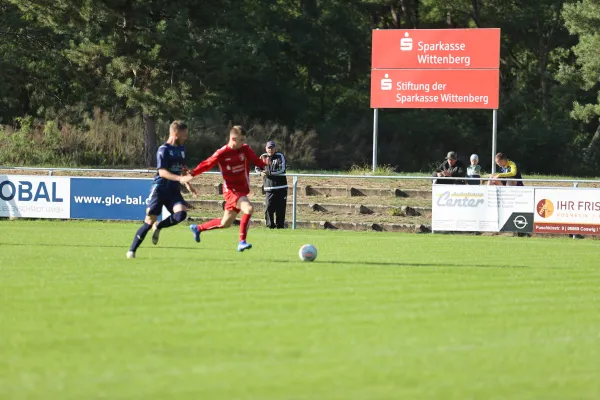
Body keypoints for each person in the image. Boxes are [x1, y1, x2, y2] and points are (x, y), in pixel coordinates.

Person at [188, 125, 268, 252]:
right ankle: (242, 242)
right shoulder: (222, 153)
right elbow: (206, 164)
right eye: (240, 140)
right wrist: (192, 174)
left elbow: (256, 161)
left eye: (243, 140)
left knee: (225, 223)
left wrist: (265, 164)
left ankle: (198, 228)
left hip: (241, 190)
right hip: (231, 190)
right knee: (249, 208)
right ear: (233, 138)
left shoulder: (245, 149)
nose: (243, 142)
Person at [126, 120, 195, 259]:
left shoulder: (181, 149)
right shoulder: (163, 150)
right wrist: (180, 179)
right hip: (160, 189)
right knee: (148, 222)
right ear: (175, 134)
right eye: (184, 135)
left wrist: (187, 183)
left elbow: (182, 168)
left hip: (173, 191)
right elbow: (162, 172)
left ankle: (159, 226)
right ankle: (132, 250)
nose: (186, 137)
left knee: (181, 215)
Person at [256, 140, 288, 229]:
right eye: (269, 148)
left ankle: (280, 226)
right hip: (269, 188)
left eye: (272, 148)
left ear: (275, 149)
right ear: (266, 148)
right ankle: (270, 226)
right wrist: (260, 173)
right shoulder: (263, 157)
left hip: (281, 187)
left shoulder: (280, 156)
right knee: (269, 208)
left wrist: (270, 172)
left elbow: (282, 169)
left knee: (280, 209)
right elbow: (257, 168)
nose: (270, 150)